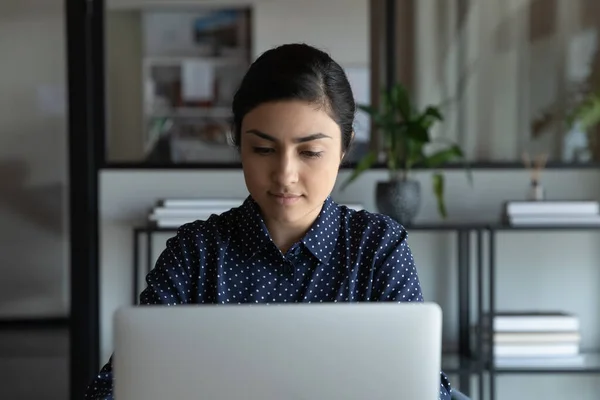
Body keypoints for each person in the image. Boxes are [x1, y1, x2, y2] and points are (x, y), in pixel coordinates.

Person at [85, 43, 452, 400]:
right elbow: (116, 386)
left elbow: (423, 387)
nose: (285, 174)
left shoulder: (377, 248)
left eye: (310, 152)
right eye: (263, 149)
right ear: (238, 143)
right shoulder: (196, 252)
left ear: (344, 148)